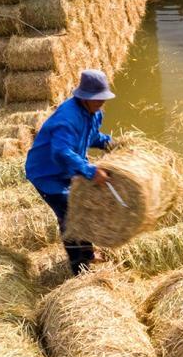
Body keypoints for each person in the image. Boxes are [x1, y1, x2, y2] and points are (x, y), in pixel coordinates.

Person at [25, 69, 116, 276]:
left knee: (82, 210)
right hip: (47, 174)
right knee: (71, 219)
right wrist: (91, 171)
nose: (101, 103)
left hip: (67, 169)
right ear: (84, 98)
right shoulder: (67, 119)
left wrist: (109, 143)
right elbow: (62, 151)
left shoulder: (94, 113)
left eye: (103, 98)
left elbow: (90, 136)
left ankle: (88, 253)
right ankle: (80, 269)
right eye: (97, 99)